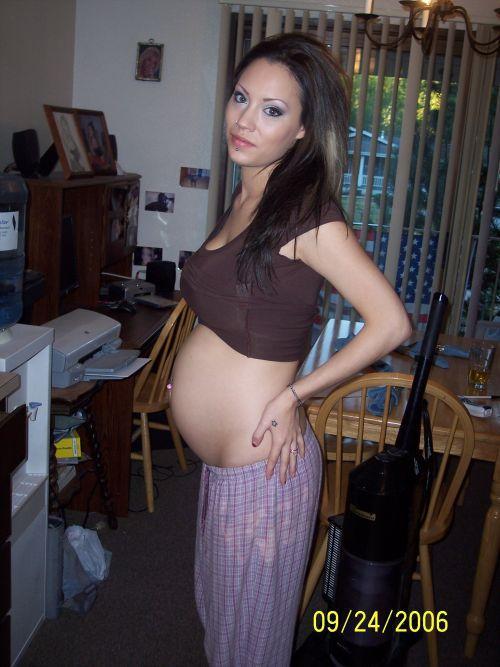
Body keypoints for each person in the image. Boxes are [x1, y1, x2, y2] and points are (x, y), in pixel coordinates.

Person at [170, 33, 412, 666]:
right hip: (231, 469)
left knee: (248, 644)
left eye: (272, 110)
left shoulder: (306, 212)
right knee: (224, 626)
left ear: (303, 129)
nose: (245, 120)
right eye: (241, 97)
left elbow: (391, 324)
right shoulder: (250, 192)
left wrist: (293, 396)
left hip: (263, 472)